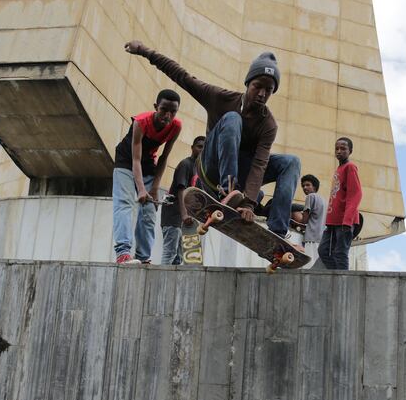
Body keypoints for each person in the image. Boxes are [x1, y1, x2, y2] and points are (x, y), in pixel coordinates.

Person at [124, 41, 300, 239]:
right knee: (233, 119)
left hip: (241, 179)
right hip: (211, 170)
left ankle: (277, 231)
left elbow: (259, 164)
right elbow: (182, 76)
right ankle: (228, 192)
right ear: (248, 84)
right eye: (257, 86)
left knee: (291, 162)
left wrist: (249, 203)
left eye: (268, 90)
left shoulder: (268, 124)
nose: (261, 94)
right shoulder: (219, 97)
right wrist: (145, 51)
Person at [113, 89, 182, 264]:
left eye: (172, 111)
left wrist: (154, 188)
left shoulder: (176, 126)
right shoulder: (141, 122)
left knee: (149, 211)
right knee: (125, 203)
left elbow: (164, 157)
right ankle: (123, 253)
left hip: (148, 164)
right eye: (163, 110)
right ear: (155, 107)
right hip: (126, 160)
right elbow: (135, 158)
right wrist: (141, 189)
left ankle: (143, 258)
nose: (167, 115)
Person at [319, 137, 362, 270]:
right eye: (337, 148)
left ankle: (343, 282)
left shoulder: (350, 167)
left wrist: (347, 220)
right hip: (333, 221)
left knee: (340, 253)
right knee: (323, 251)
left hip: (344, 221)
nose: (339, 151)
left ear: (350, 151)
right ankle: (336, 276)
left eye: (343, 149)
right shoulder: (339, 169)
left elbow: (356, 194)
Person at [160, 136, 205, 265]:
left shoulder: (200, 170)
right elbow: (181, 190)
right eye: (199, 146)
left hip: (184, 221)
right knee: (170, 253)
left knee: (179, 257)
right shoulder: (186, 164)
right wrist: (184, 214)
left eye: (204, 148)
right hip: (173, 216)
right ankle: (160, 281)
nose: (202, 150)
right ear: (192, 148)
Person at [295, 174, 326, 267]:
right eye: (303, 186)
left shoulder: (310, 197)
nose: (305, 187)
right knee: (318, 266)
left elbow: (304, 220)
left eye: (308, 185)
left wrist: (294, 216)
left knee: (309, 266)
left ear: (314, 187)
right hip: (322, 237)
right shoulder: (323, 199)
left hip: (312, 237)